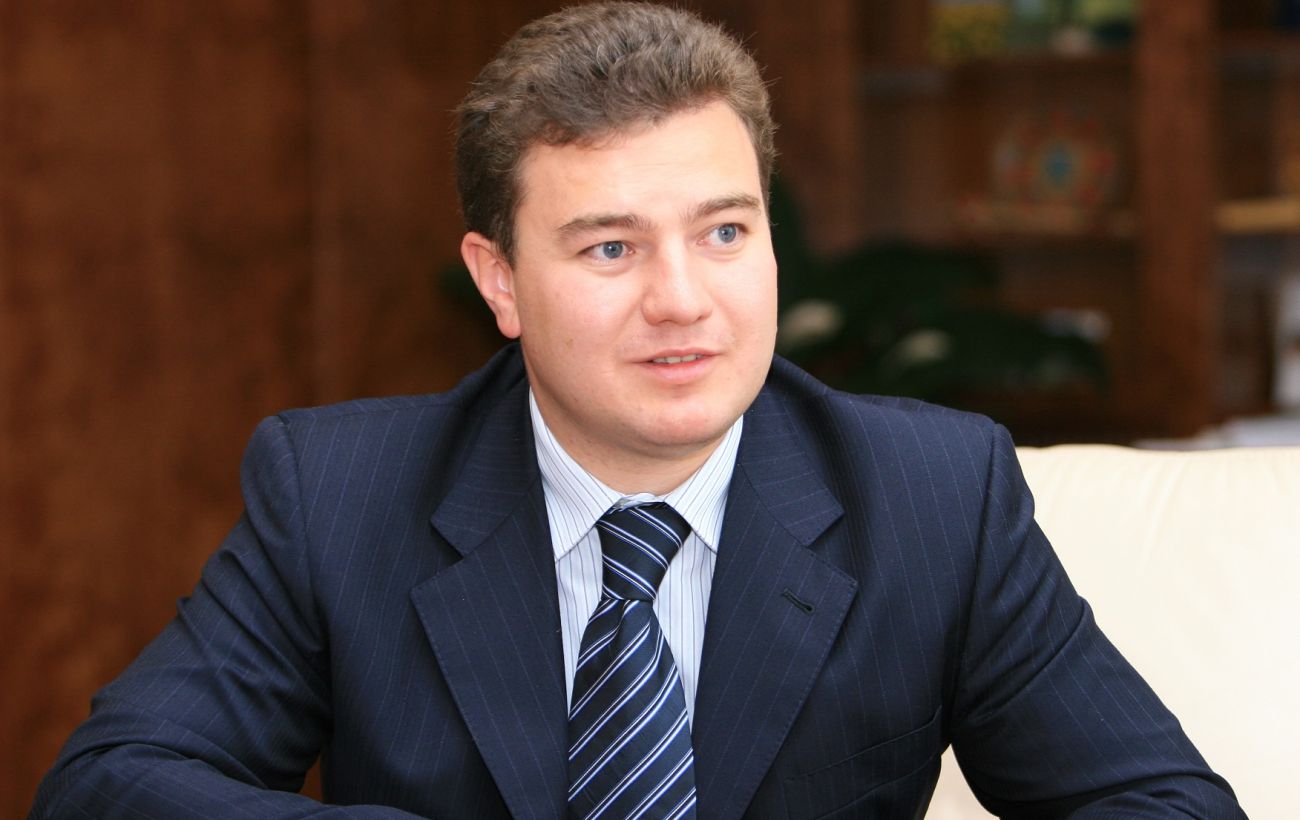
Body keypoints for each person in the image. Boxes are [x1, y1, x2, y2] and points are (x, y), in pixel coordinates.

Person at [32, 3, 1242, 818]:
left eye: (724, 232)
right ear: (500, 281)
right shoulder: (339, 495)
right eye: (609, 247)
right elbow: (110, 783)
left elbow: (1162, 802)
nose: (682, 300)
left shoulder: (933, 495)